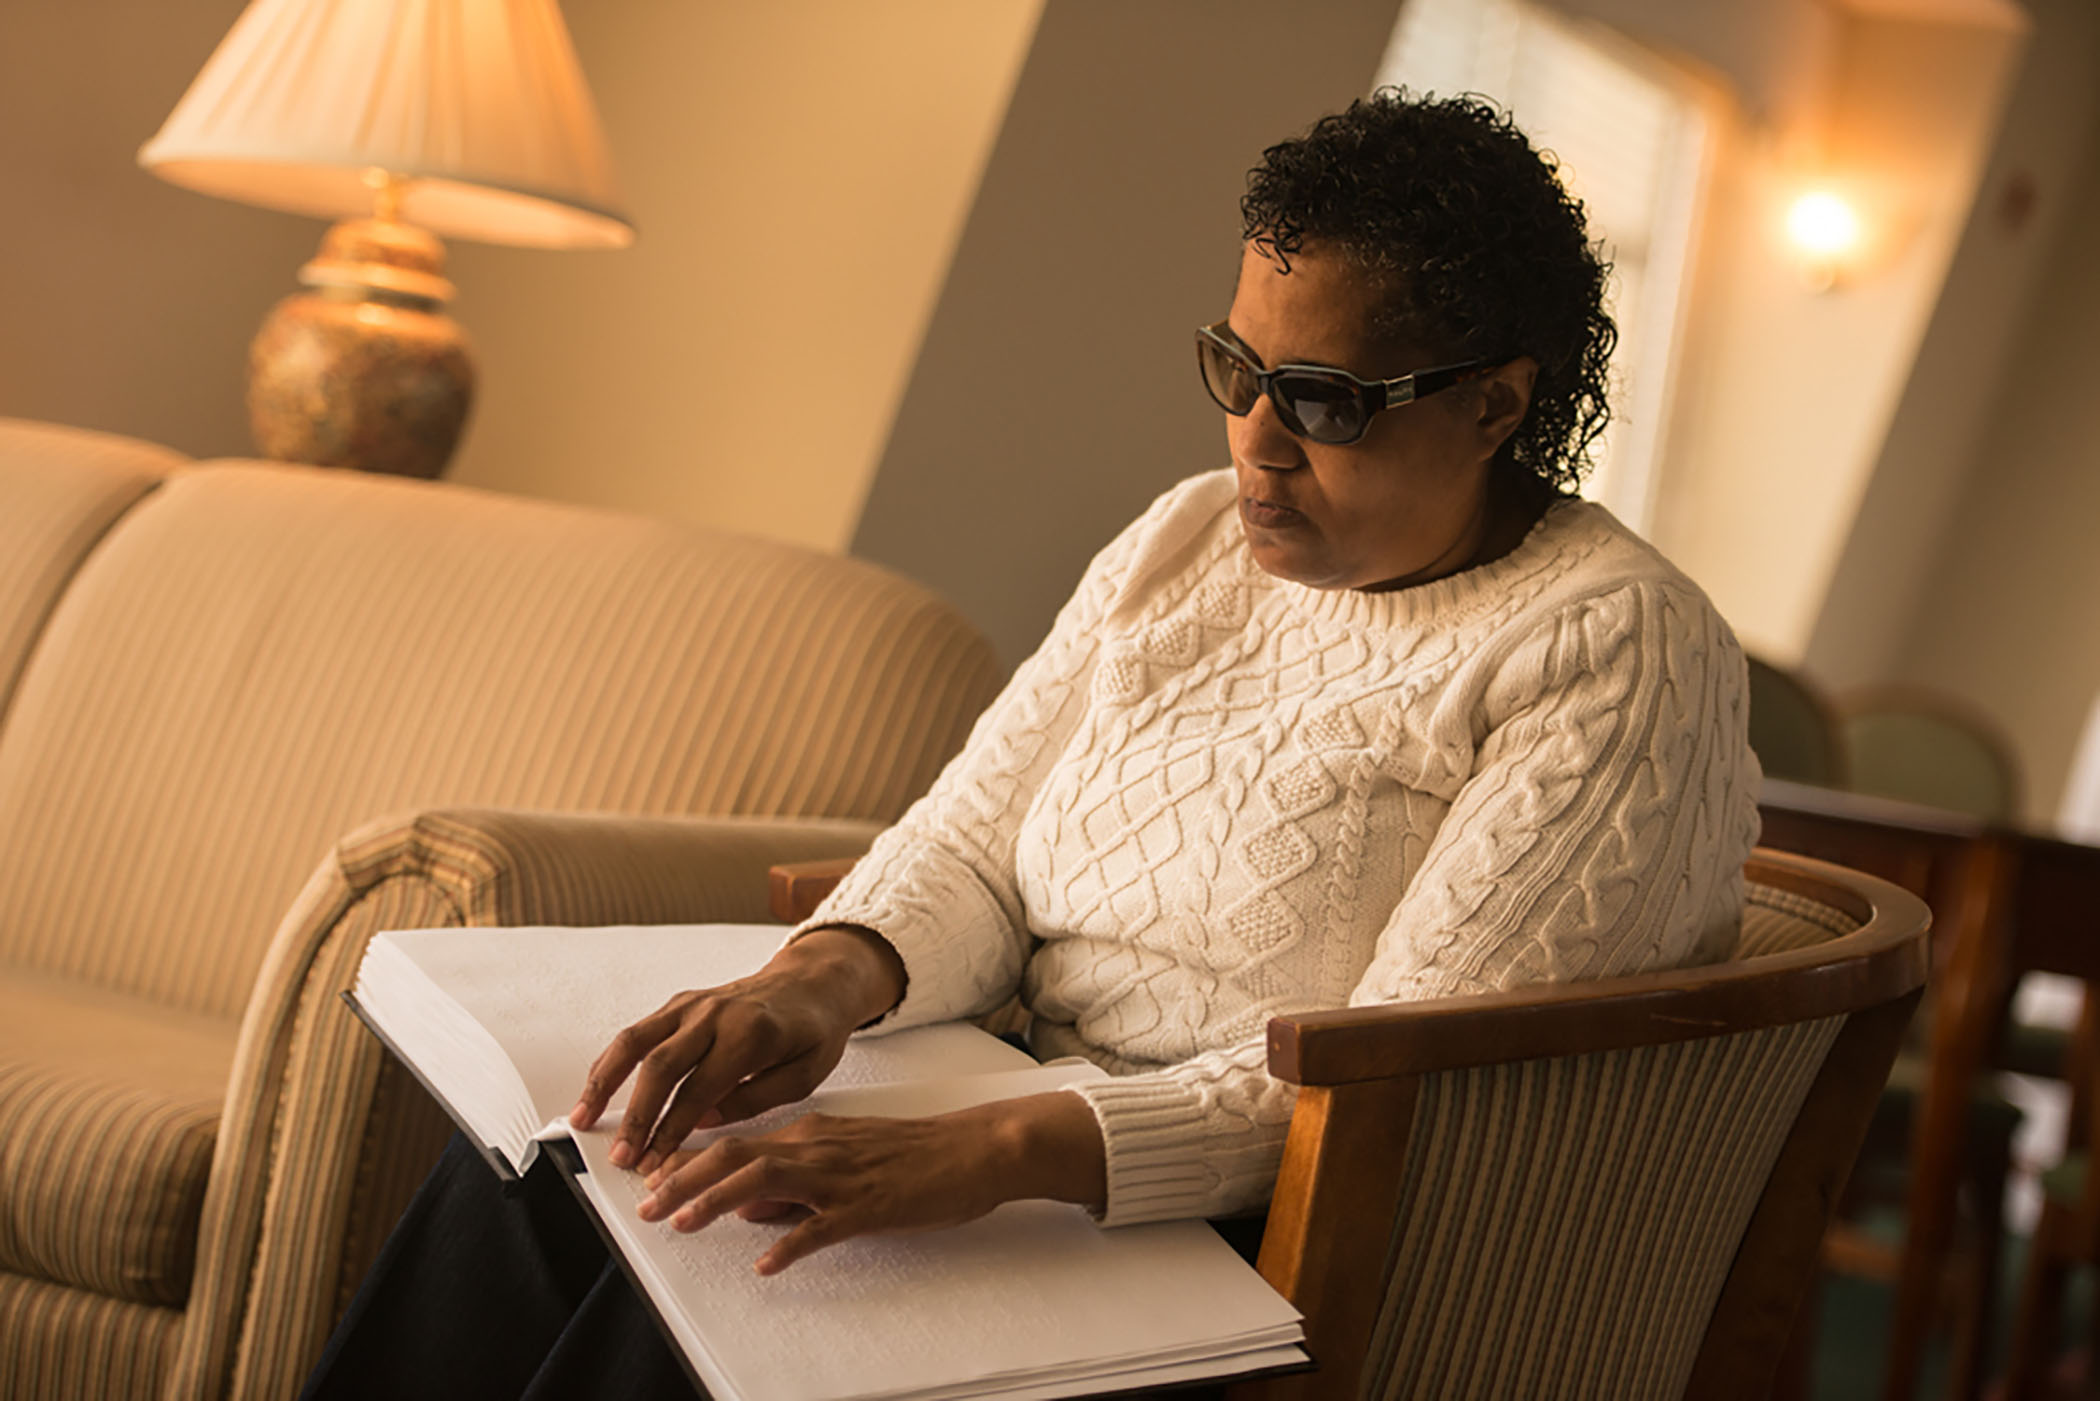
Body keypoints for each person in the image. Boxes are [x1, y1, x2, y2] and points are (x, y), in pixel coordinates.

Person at [301, 88, 1759, 1398]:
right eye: (1236, 367)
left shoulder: (1616, 648)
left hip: (1242, 1242)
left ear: (1497, 402)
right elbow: (976, 840)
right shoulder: (1187, 537)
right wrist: (824, 976)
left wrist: (985, 1153)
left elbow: (1400, 1096)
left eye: (1322, 402)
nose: (1254, 439)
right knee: (544, 1185)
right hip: (991, 1106)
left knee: (719, 1271)